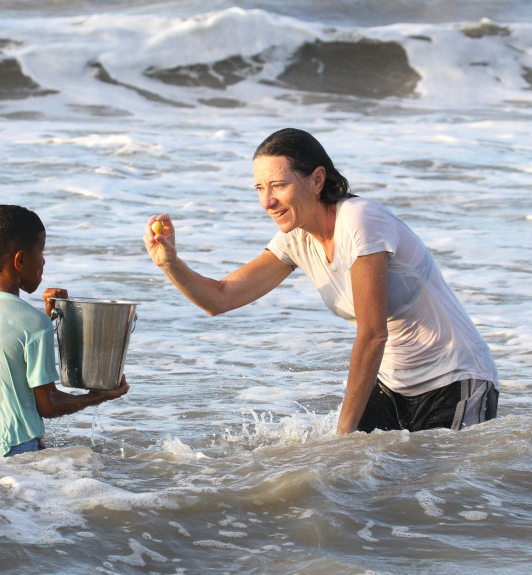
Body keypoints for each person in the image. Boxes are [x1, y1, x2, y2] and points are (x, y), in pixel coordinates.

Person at [143, 128, 497, 435]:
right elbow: (219, 299)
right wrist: (170, 263)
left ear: (316, 180)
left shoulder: (360, 220)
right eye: (260, 187)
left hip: (456, 379)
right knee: (353, 486)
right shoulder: (295, 238)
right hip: (393, 386)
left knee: (440, 497)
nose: (267, 201)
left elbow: (373, 334)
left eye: (279, 185)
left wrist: (342, 433)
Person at [0, 204, 129, 462]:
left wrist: (47, 315)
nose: (44, 261)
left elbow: (11, 346)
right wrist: (99, 396)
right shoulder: (34, 323)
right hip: (15, 455)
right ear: (21, 260)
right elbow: (48, 405)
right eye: (41, 251)